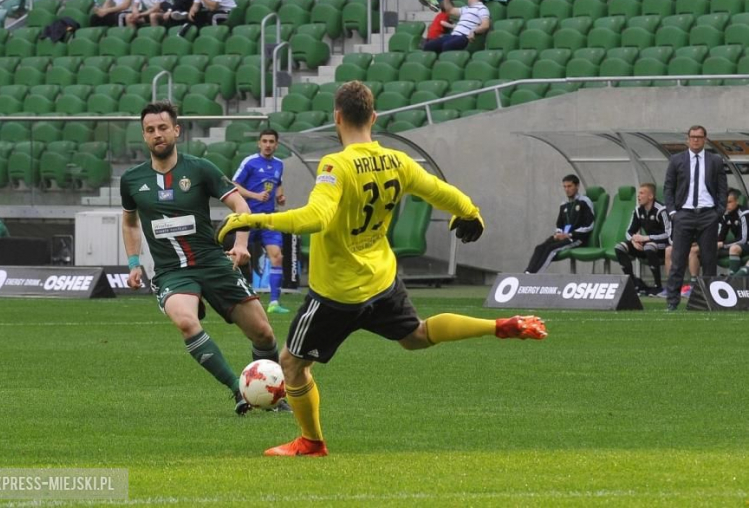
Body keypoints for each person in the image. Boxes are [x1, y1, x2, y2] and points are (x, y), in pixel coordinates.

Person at [215, 81, 547, 457]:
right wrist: (470, 212)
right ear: (373, 117)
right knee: (416, 336)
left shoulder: (335, 165)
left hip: (338, 292)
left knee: (292, 363)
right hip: (382, 280)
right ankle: (500, 326)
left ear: (337, 118)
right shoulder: (398, 161)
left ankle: (310, 442)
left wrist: (254, 221)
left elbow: (315, 217)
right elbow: (441, 190)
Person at [120, 101, 290, 415]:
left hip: (213, 261)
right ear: (144, 136)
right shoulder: (132, 180)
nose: (157, 134)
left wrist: (240, 243)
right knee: (186, 321)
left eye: (163, 128)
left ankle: (273, 395)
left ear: (176, 130)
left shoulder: (199, 168)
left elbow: (241, 206)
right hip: (172, 271)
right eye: (150, 130)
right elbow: (129, 221)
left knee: (264, 333)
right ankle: (238, 391)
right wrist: (133, 263)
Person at [663, 125, 728, 311]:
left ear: (705, 139)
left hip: (708, 214)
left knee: (709, 260)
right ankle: (672, 303)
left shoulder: (715, 160)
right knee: (678, 260)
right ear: (687, 139)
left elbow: (722, 188)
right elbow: (668, 187)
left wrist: (719, 211)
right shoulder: (677, 160)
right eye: (693, 137)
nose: (696, 140)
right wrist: (673, 212)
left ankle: (709, 302)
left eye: (699, 137)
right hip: (684, 214)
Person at [231, 129, 290, 314]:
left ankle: (274, 302)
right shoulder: (250, 162)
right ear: (259, 143)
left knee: (277, 257)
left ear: (276, 144)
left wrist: (280, 197)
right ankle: (233, 296)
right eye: (264, 141)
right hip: (248, 217)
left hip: (268, 219)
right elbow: (234, 185)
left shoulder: (279, 164)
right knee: (237, 257)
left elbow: (277, 184)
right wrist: (254, 195)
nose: (268, 145)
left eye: (271, 141)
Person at [524, 174, 594, 274]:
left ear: (577, 186)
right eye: (564, 187)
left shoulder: (584, 202)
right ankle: (527, 272)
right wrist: (558, 234)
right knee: (539, 247)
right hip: (563, 236)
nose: (567, 189)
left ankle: (534, 275)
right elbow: (559, 224)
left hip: (576, 238)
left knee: (551, 249)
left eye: (569, 186)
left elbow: (589, 225)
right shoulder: (564, 204)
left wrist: (569, 234)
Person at [614, 183, 670, 296]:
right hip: (644, 244)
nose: (638, 196)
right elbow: (629, 232)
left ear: (651, 196)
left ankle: (658, 286)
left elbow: (668, 234)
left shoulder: (661, 210)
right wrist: (634, 241)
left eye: (641, 193)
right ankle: (633, 283)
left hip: (663, 246)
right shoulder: (638, 210)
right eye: (638, 193)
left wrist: (647, 238)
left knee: (649, 246)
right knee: (619, 247)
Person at [688, 188, 748, 277]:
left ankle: (733, 279)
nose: (726, 205)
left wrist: (722, 244)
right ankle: (695, 282)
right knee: (694, 250)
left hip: (746, 244)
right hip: (733, 245)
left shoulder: (744, 214)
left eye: (729, 202)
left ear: (737, 201)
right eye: (724, 203)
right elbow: (721, 236)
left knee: (734, 248)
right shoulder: (726, 215)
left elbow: (743, 239)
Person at [422, 0, 490, 53]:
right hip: (453, 36)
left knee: (447, 45)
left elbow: (485, 25)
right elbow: (450, 10)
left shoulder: (482, 8)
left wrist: (474, 32)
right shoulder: (466, 8)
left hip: (464, 37)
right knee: (429, 46)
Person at [168, 0, 235, 27]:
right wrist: (191, 12)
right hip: (212, 11)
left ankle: (214, 35)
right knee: (194, 16)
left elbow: (214, 7)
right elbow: (195, 6)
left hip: (228, 12)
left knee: (212, 16)